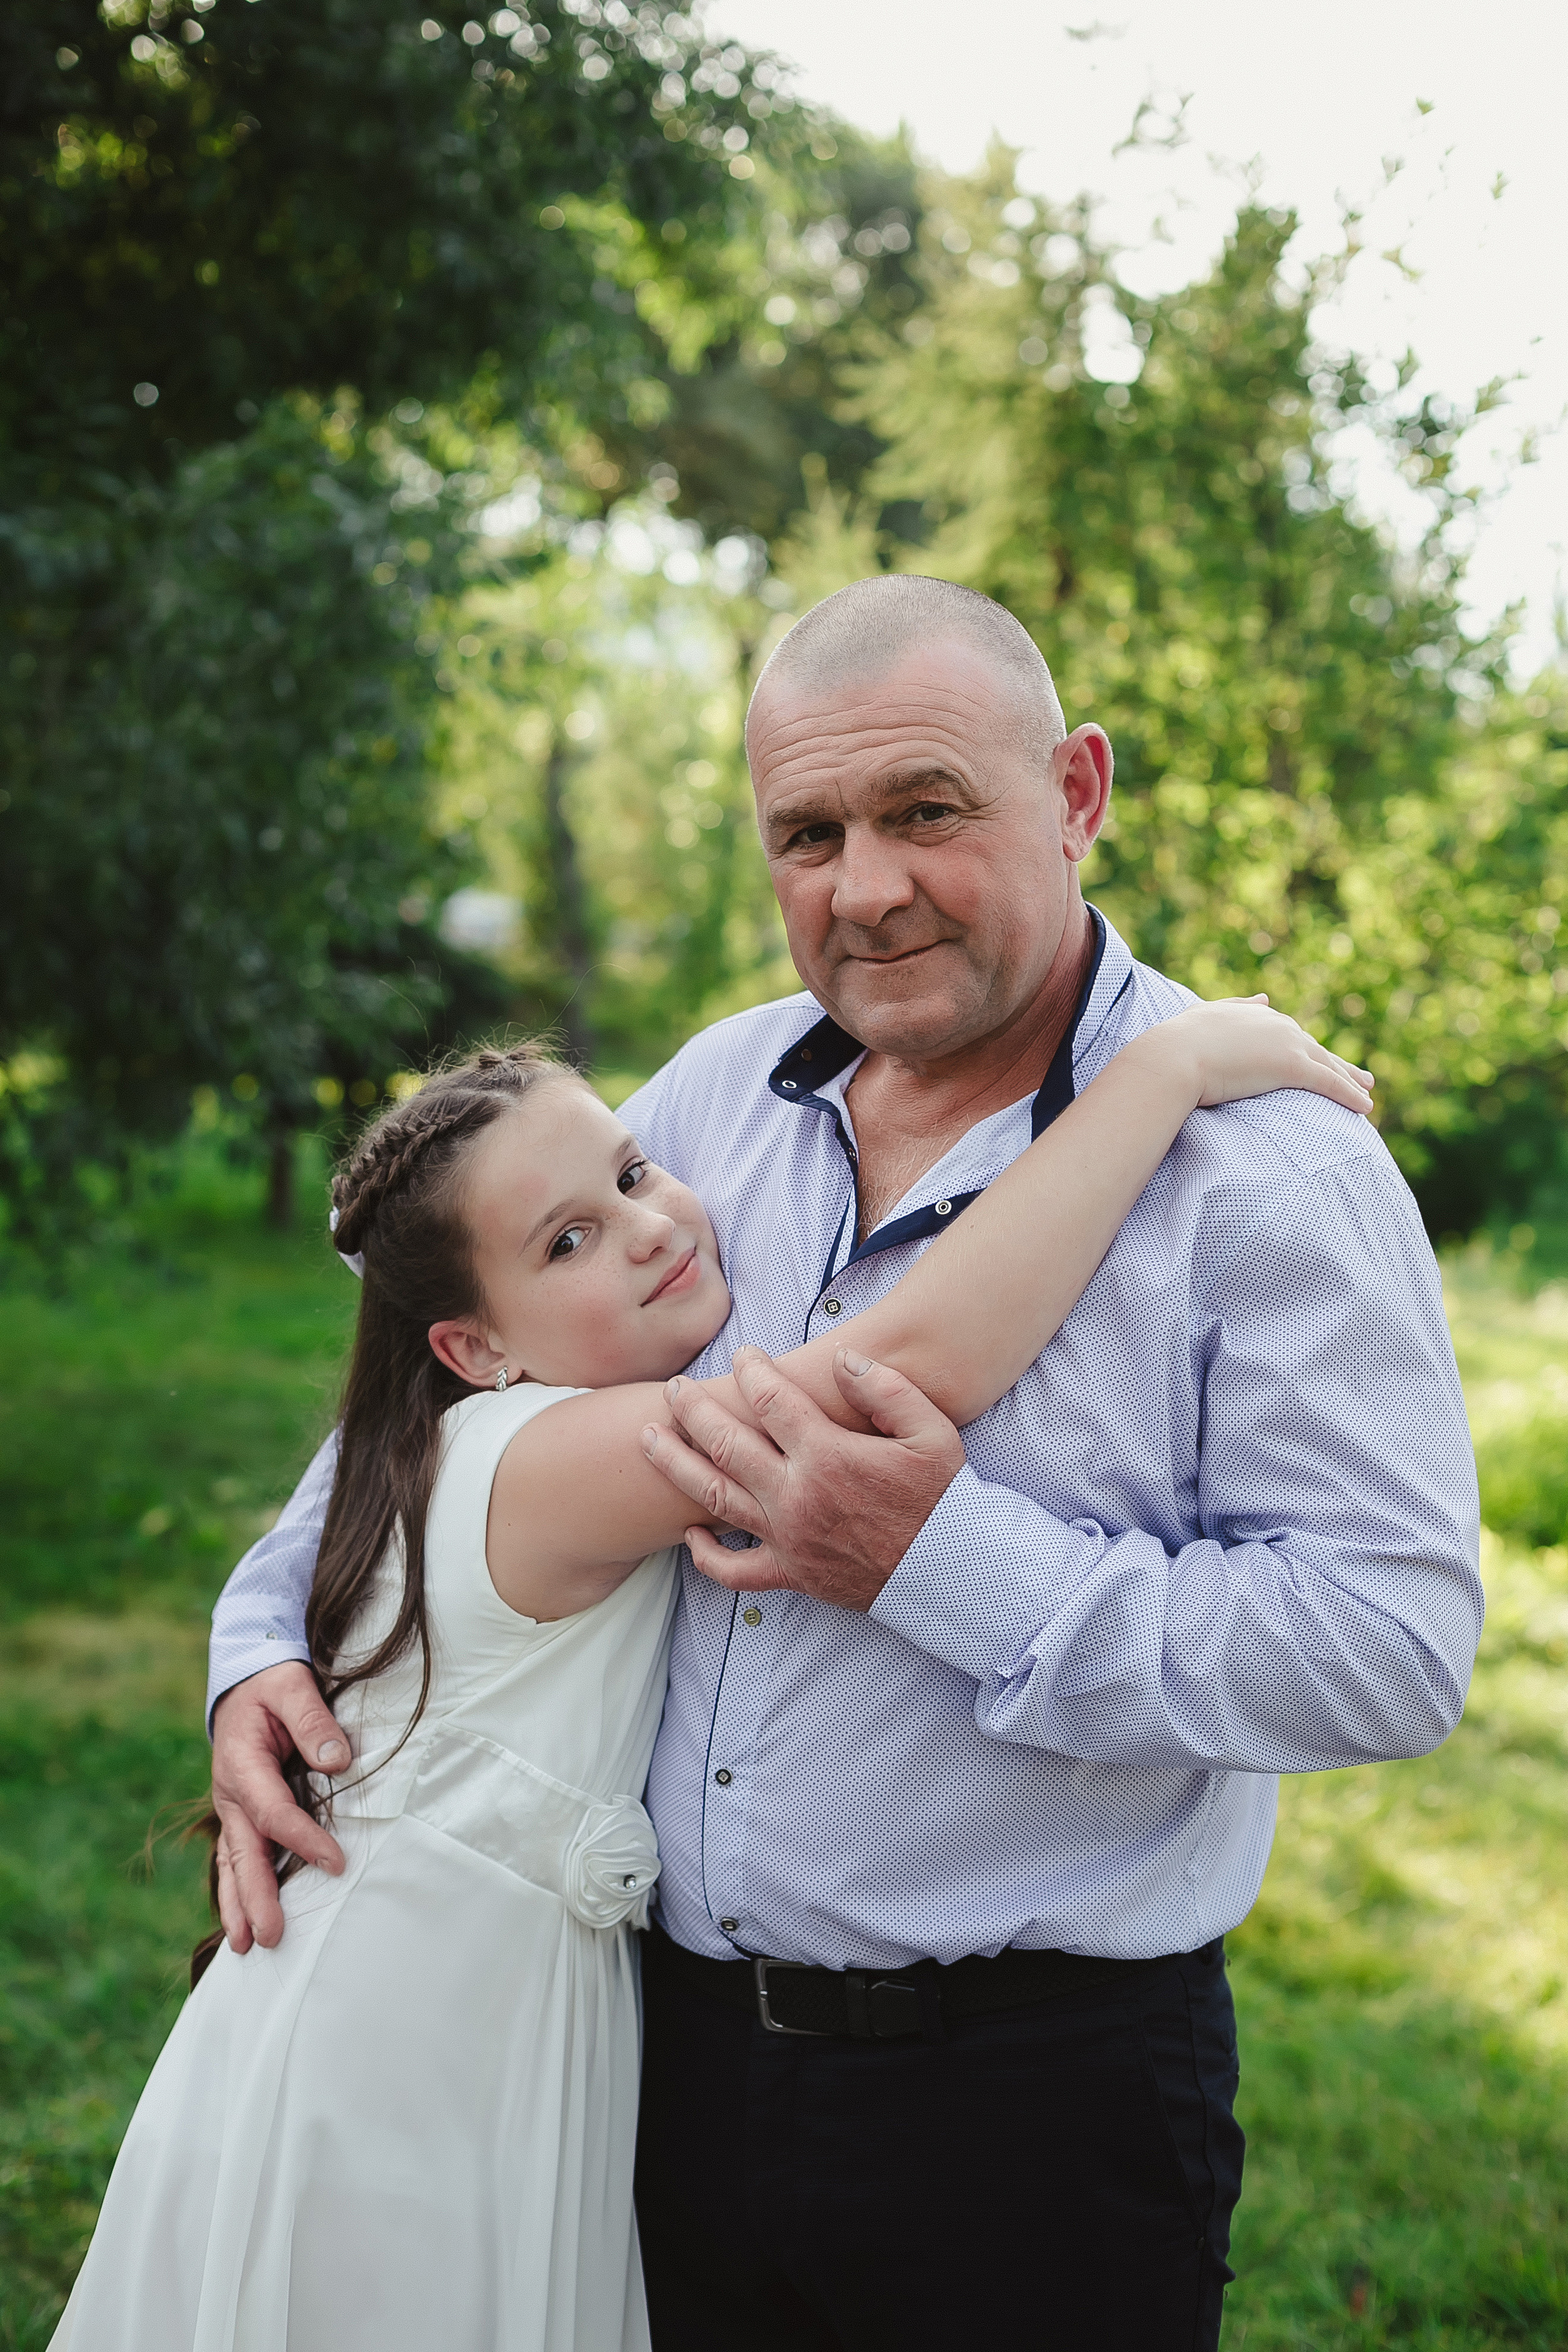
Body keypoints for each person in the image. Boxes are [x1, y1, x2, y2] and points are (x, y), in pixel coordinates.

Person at [204, 577, 1482, 2352]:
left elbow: (1393, 1645)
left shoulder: (1279, 1180)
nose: (864, 887)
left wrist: (947, 1558)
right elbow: (438, 1388)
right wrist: (259, 1636)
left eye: (926, 812)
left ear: (1079, 792)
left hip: (1032, 2120)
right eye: (809, 833)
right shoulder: (710, 1099)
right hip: (649, 2066)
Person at [51, 1005, 1364, 2352]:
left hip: (503, 2018)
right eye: (566, 1241)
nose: (648, 1226)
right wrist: (1159, 1076)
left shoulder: (475, 1424)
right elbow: (890, 1377)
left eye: (631, 1173)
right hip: (400, 2044)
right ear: (472, 1350)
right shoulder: (531, 1458)